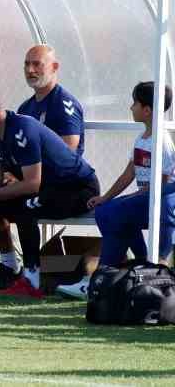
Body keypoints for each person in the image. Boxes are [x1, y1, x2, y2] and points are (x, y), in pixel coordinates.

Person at [0, 83, 99, 299]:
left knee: (25, 207)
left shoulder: (22, 129)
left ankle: (32, 280)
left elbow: (31, 184)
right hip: (48, 189)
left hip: (78, 189)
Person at [58, 81, 175, 298]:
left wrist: (130, 197)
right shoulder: (142, 138)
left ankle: (100, 280)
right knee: (107, 211)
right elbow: (128, 173)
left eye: (135, 103)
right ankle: (125, 271)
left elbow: (163, 184)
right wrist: (106, 197)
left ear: (147, 111)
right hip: (145, 201)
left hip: (161, 205)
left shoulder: (163, 142)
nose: (131, 107)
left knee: (112, 214)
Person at [17, 43, 85, 155]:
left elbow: (67, 153)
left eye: (37, 64)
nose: (30, 70)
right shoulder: (25, 108)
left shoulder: (64, 105)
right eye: (27, 64)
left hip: (59, 173)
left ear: (54, 67)